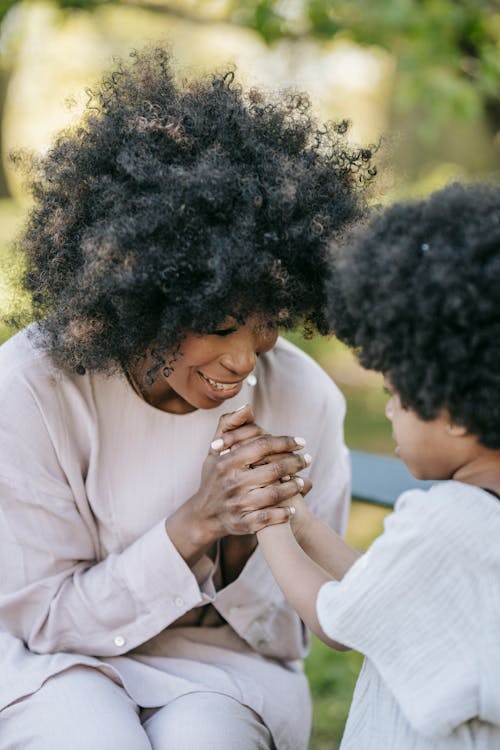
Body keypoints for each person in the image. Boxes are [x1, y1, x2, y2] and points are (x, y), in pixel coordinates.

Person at [0, 45, 376, 750]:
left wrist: (250, 536)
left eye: (264, 324)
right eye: (216, 325)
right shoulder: (31, 389)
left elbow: (299, 629)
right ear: (142, 298)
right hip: (54, 666)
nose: (242, 360)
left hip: (227, 672)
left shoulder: (306, 402)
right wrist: (196, 523)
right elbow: (41, 618)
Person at [256, 182, 500, 748]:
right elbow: (388, 588)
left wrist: (268, 524)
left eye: (395, 392)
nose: (387, 409)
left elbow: (337, 618)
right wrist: (305, 523)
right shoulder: (477, 525)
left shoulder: (443, 523)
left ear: (457, 411)